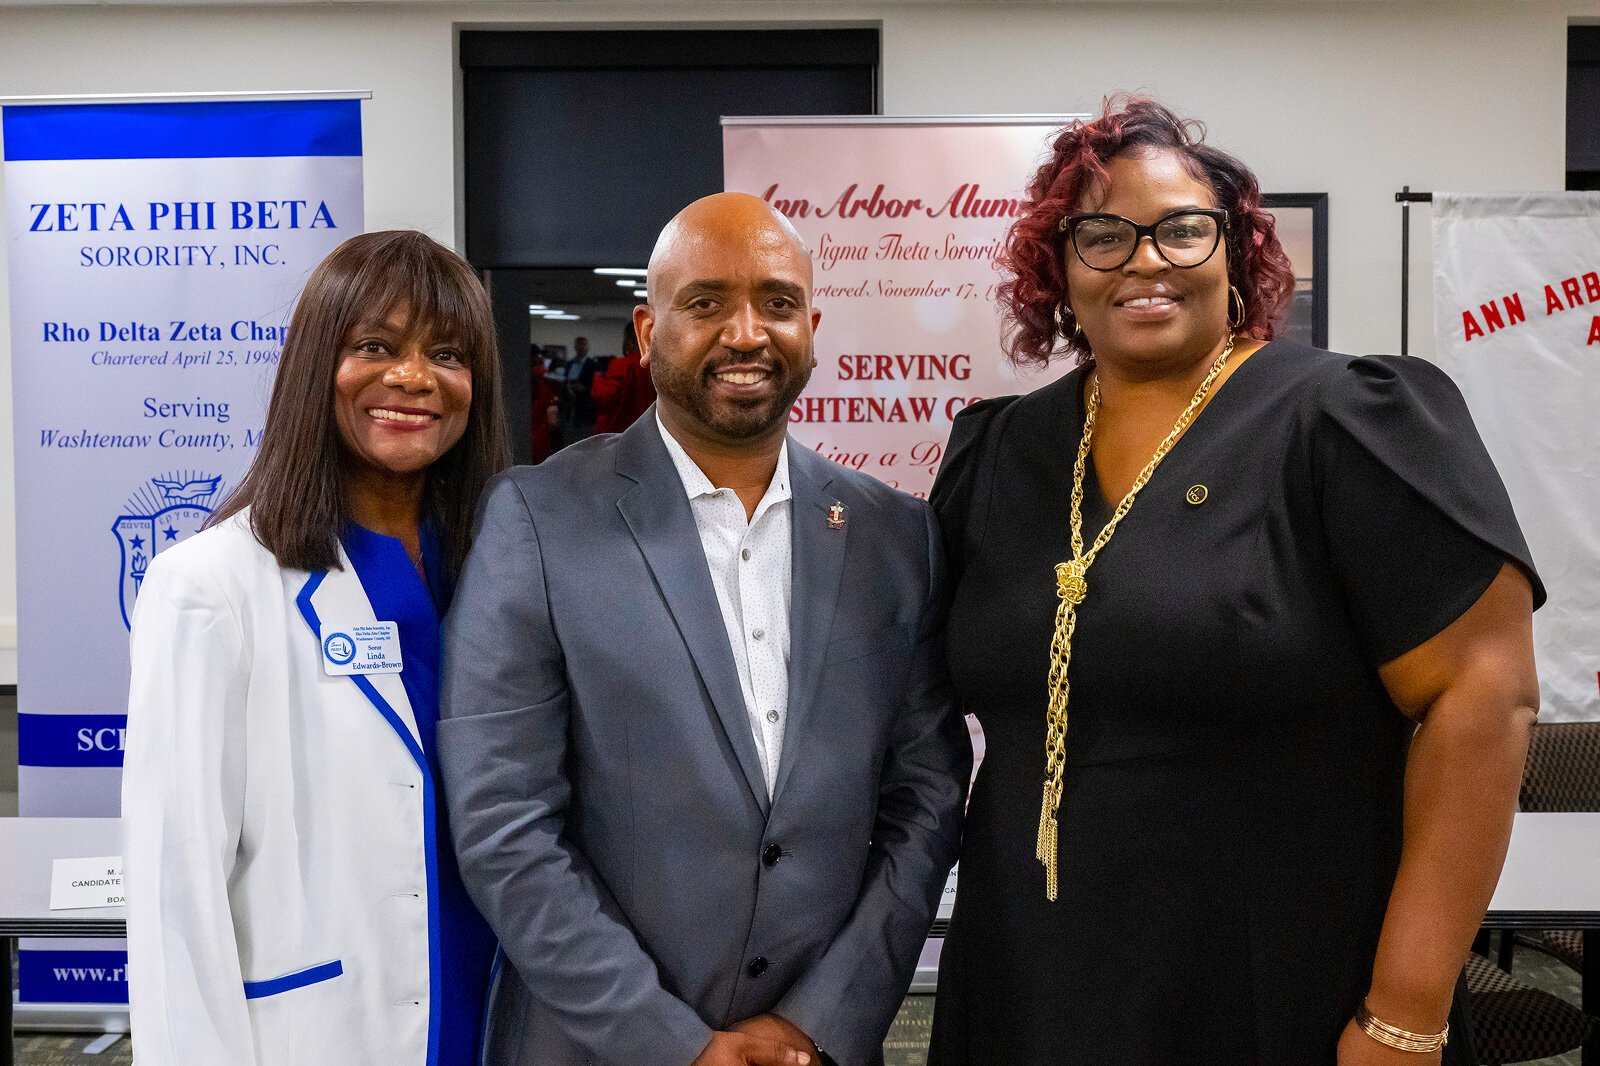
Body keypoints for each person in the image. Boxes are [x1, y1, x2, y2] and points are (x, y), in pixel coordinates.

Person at [926, 98, 1543, 1066]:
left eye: (1180, 228)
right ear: (1055, 266)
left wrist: (1405, 1012)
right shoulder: (998, 449)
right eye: (1100, 234)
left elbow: (1482, 704)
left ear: (1236, 250)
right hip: (1033, 968)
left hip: (1281, 973)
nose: (1143, 258)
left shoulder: (1344, 420)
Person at [439, 191, 971, 1066]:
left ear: (813, 326)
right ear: (647, 333)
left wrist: (819, 1020)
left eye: (777, 301)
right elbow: (503, 820)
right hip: (596, 1045)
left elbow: (926, 801)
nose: (747, 332)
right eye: (707, 302)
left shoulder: (895, 534)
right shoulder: (538, 520)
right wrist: (673, 1045)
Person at [122, 230, 510, 1065]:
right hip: (325, 1026)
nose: (412, 378)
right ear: (313, 367)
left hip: (497, 1010)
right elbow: (174, 890)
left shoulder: (500, 567)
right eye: (375, 345)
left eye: (447, 353)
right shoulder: (211, 586)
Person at [592, 320, 656, 434]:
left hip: (620, 430)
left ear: (631, 340)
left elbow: (605, 397)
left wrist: (598, 378)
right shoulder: (660, 365)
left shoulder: (622, 364)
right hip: (652, 431)